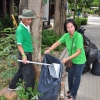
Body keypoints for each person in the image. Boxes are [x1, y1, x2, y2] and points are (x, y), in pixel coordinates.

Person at [45, 19, 86, 100]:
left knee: (77, 78)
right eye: (68, 27)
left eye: (71, 27)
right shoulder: (66, 36)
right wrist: (49, 50)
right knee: (70, 76)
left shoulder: (79, 36)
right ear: (66, 28)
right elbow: (57, 43)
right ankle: (70, 90)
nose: (70, 29)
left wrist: (67, 58)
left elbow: (78, 52)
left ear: (74, 26)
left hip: (80, 61)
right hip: (71, 60)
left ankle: (73, 94)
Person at [8, 9, 36, 95]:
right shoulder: (20, 30)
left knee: (21, 71)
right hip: (25, 54)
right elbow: (19, 45)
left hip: (27, 53)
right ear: (22, 19)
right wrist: (24, 56)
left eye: (31, 19)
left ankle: (12, 86)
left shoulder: (26, 26)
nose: (30, 21)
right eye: (28, 19)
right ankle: (30, 95)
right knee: (29, 75)